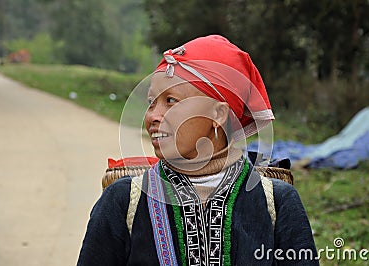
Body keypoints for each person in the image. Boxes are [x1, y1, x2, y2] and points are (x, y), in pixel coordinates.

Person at [77, 35, 319, 265]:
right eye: (152, 102)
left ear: (217, 114)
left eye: (171, 100)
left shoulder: (276, 202)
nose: (152, 116)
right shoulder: (124, 200)